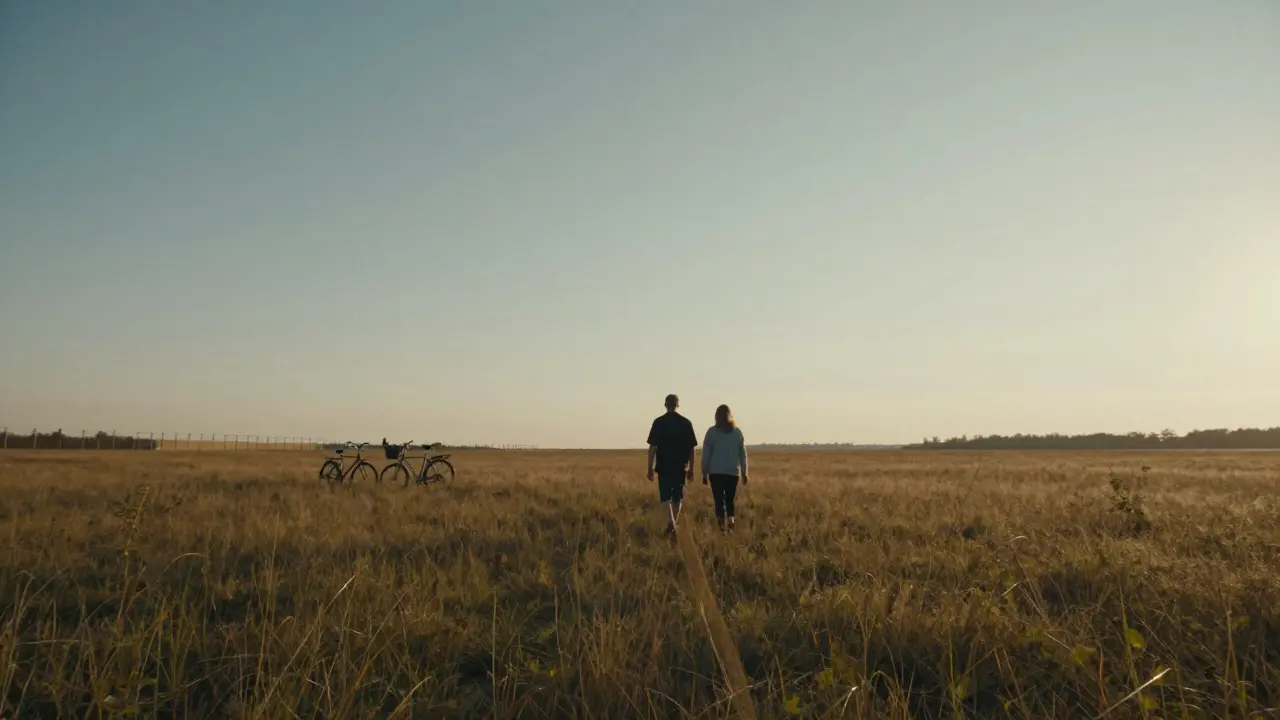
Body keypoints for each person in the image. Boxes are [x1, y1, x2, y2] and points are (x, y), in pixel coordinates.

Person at [646, 393, 698, 537]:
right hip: (680, 466)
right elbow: (691, 449)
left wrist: (649, 468)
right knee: (677, 497)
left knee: (665, 497)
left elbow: (652, 448)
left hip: (663, 465)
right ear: (677, 405)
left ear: (665, 405)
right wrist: (692, 468)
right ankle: (673, 522)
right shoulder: (686, 423)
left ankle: (671, 523)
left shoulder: (658, 422)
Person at [701, 404, 749, 533]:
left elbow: (706, 453)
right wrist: (744, 472)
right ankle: (731, 523)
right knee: (730, 499)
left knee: (719, 500)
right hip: (733, 472)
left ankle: (722, 527)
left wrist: (704, 471)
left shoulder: (712, 432)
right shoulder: (737, 432)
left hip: (716, 472)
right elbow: (743, 454)